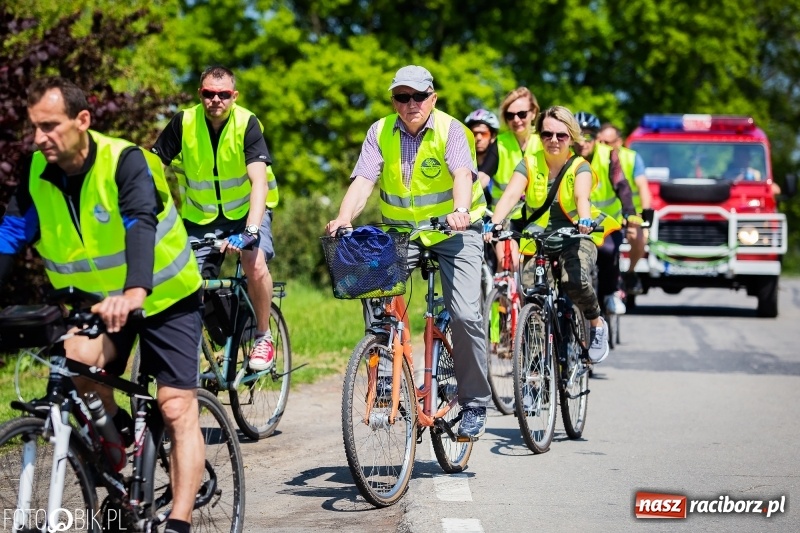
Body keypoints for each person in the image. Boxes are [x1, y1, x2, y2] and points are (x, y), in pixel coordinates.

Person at [0, 77, 204, 533]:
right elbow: (9, 237)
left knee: (174, 407)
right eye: (35, 128)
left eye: (50, 126)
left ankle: (179, 522)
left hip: (165, 295)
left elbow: (139, 224)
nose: (39, 138)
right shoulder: (38, 173)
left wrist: (135, 291)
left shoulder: (123, 161)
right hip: (98, 305)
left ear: (82, 121)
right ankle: (121, 456)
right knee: (74, 365)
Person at [326, 65, 492, 437]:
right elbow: (364, 179)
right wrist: (342, 217)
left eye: (418, 96)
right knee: (372, 289)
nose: (411, 103)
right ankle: (386, 373)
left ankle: (475, 402)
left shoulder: (451, 130)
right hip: (405, 234)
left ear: (432, 98)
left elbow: (463, 174)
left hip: (455, 232)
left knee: (465, 314)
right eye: (403, 97)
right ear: (394, 101)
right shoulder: (380, 131)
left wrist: (461, 212)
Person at [151, 65, 279, 372]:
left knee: (254, 263)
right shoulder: (184, 122)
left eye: (223, 94)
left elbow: (258, 182)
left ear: (234, 96)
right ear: (200, 94)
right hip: (200, 218)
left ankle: (263, 335)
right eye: (209, 94)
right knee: (188, 283)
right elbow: (152, 165)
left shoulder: (246, 123)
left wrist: (250, 231)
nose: (216, 100)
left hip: (248, 212)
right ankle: (198, 349)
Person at [486, 106, 621, 363]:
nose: (554, 140)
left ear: (571, 136)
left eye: (561, 135)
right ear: (540, 135)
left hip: (576, 234)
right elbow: (511, 195)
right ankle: (535, 371)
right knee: (532, 295)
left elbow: (582, 196)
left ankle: (595, 322)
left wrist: (584, 220)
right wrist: (494, 222)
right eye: (547, 134)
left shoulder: (579, 166)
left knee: (575, 280)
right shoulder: (530, 162)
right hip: (538, 238)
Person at [574, 112, 638, 316]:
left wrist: (630, 213)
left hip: (606, 221)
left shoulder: (608, 155)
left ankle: (610, 294)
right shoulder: (565, 155)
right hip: (575, 220)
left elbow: (622, 185)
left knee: (609, 252)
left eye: (589, 136)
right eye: (578, 136)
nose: (583, 142)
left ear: (596, 137)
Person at [596, 122, 651, 294]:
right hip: (600, 214)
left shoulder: (631, 158)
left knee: (638, 237)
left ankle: (630, 272)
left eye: (607, 143)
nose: (602, 147)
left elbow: (643, 187)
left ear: (618, 142)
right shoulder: (593, 157)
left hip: (628, 212)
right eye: (600, 142)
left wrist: (646, 215)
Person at [464, 109, 500, 206]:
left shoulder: (500, 156)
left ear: (492, 136)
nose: (478, 138)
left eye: (484, 134)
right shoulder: (463, 159)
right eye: (474, 134)